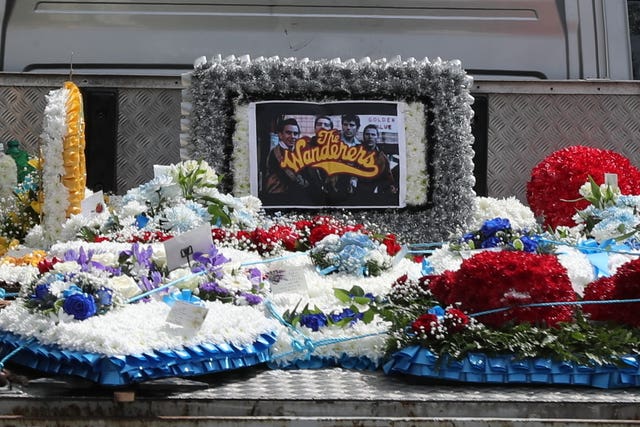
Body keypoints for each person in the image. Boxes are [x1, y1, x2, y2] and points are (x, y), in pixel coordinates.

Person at [263, 118, 309, 197]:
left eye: (295, 133)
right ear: (280, 135)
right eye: (288, 133)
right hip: (279, 196)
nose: (293, 136)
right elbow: (291, 177)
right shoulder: (277, 153)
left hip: (292, 195)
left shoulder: (295, 151)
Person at [354, 124, 397, 203]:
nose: (370, 137)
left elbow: (388, 176)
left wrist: (391, 186)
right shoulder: (355, 152)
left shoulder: (383, 158)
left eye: (373, 134)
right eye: (367, 134)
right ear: (363, 136)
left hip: (373, 192)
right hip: (356, 191)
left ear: (377, 137)